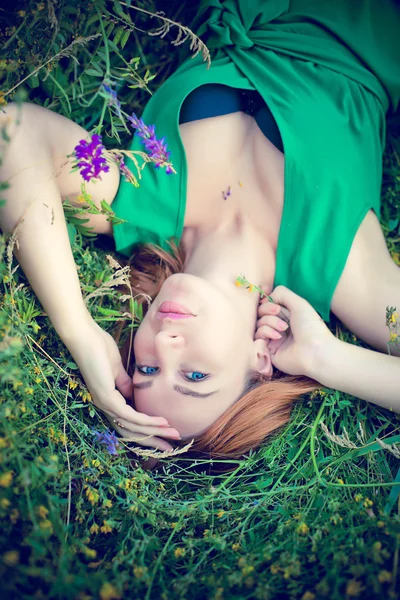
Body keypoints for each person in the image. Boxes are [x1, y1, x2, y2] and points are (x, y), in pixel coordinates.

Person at [1, 0, 400, 459]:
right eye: (195, 377)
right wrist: (327, 360)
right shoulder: (342, 270)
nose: (166, 345)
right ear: (258, 362)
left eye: (147, 368)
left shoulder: (138, 205)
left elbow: (13, 135)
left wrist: (78, 330)